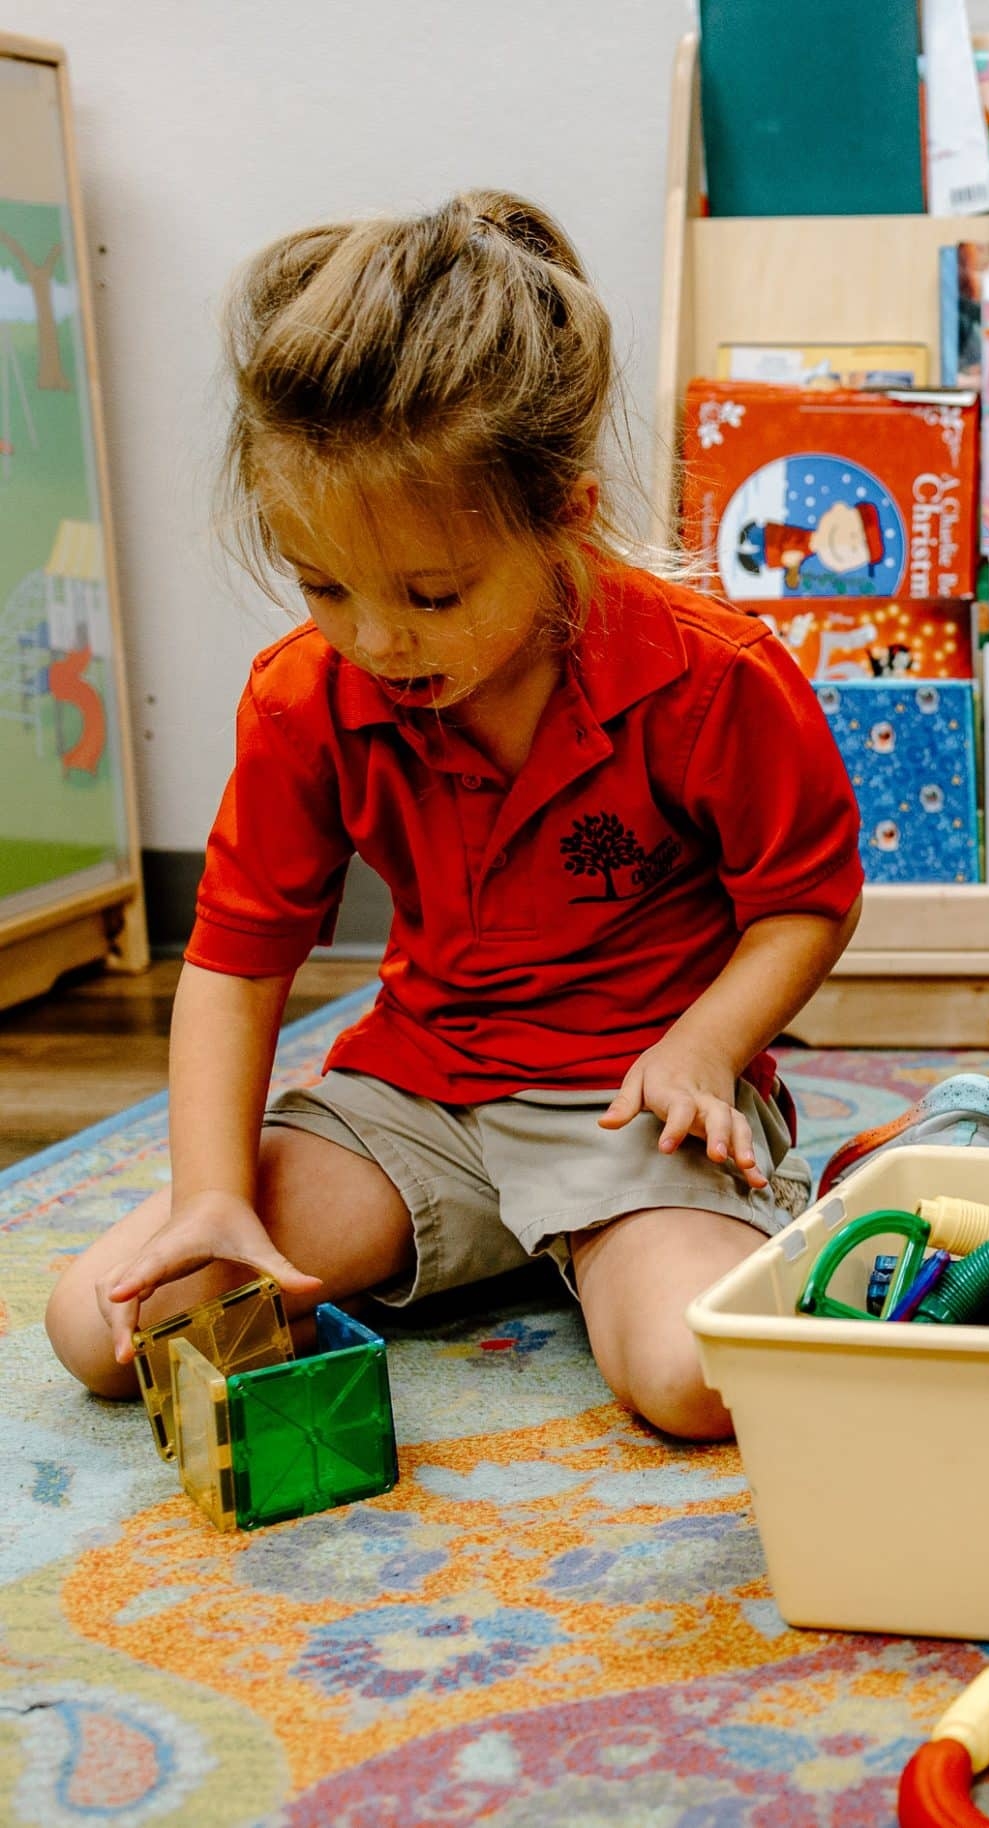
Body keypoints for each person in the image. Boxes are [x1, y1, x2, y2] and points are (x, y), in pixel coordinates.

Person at [43, 192, 863, 1440]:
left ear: (565, 519)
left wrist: (703, 1048)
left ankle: (671, 1229)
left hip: (627, 1103)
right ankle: (522, 1245)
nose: (375, 639)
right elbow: (232, 964)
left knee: (696, 1383)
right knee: (99, 1325)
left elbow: (803, 901)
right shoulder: (303, 698)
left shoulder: (716, 676)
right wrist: (214, 1197)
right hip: (416, 1102)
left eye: (429, 593)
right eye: (323, 585)